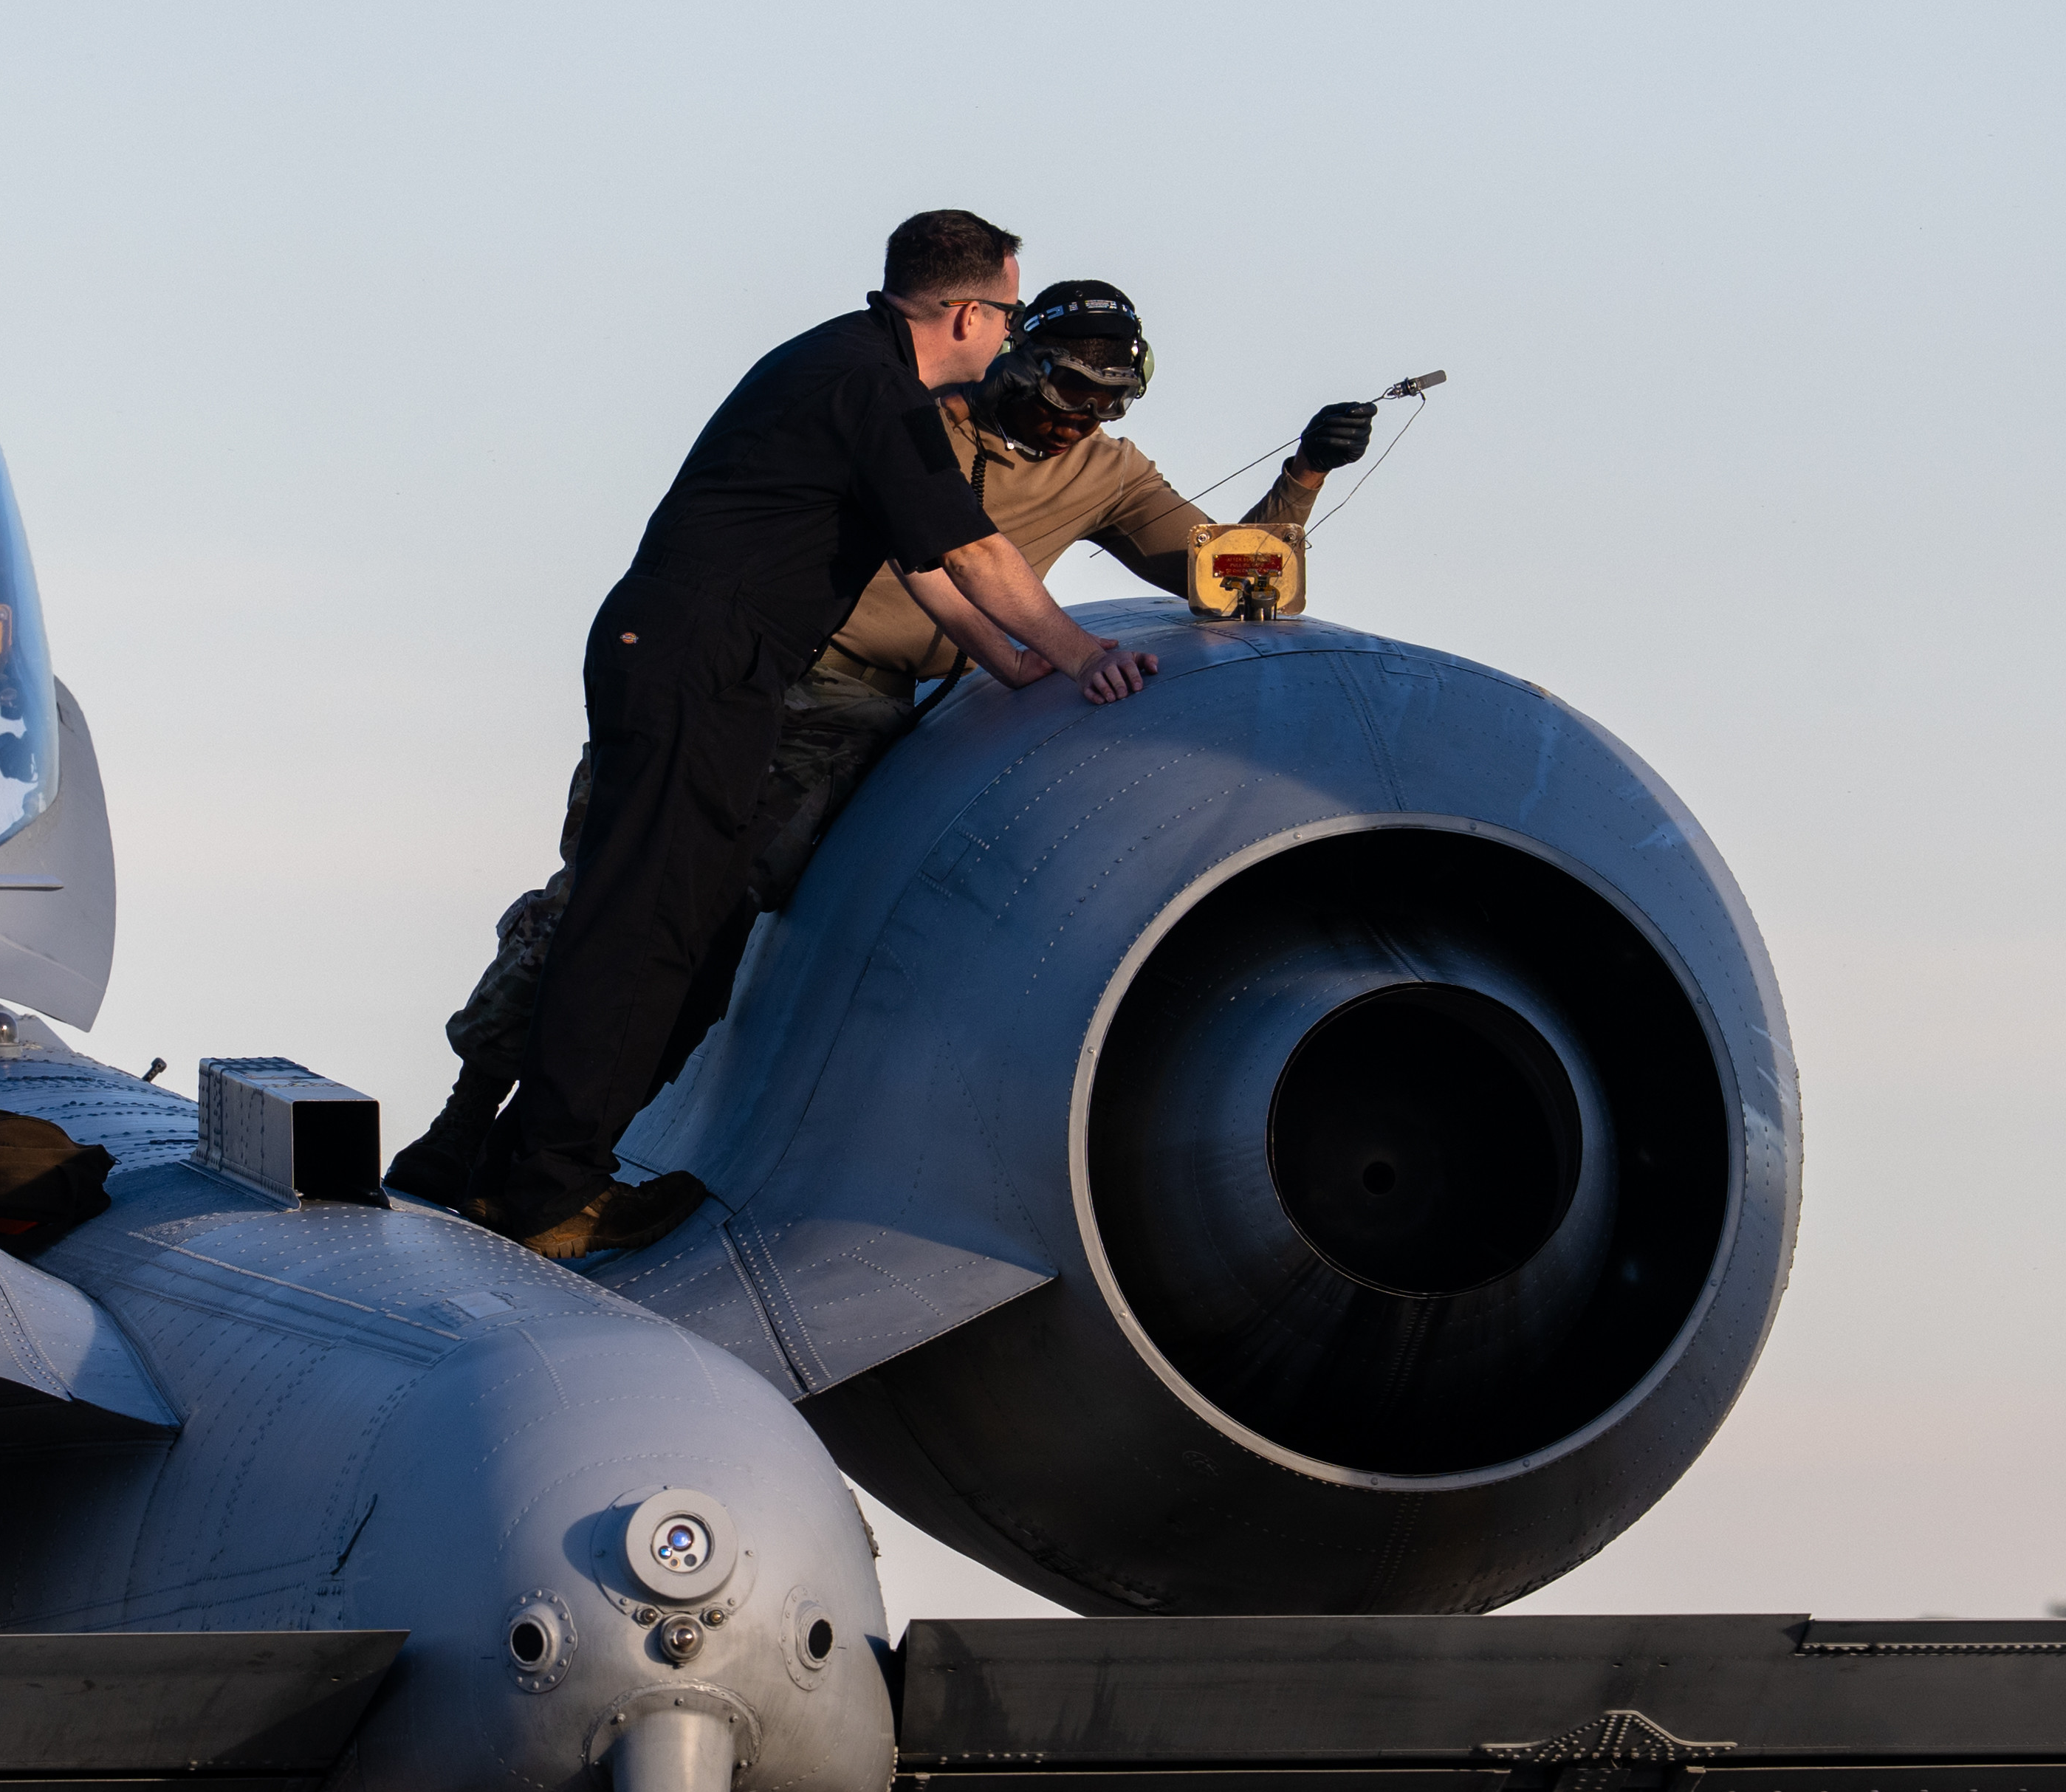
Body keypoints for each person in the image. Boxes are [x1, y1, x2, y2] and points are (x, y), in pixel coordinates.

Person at [395, 278, 1377, 1220]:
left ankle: (540, 1166)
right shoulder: (906, 411)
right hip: (752, 673)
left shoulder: (1104, 473)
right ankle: (462, 1127)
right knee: (605, 900)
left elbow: (1241, 581)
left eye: (1113, 401)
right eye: (1074, 390)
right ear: (1021, 355)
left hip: (853, 712)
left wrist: (1303, 478)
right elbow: (947, 558)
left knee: (702, 924)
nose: (1085, 419)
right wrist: (1053, 649)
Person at [459, 213, 1156, 1259]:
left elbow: (922, 556)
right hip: (703, 658)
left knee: (661, 916)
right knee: (640, 921)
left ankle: (493, 1169)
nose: (1007, 330)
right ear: (969, 311)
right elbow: (971, 549)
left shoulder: (854, 369)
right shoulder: (872, 388)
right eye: (1009, 311)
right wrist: (1077, 652)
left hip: (706, 657)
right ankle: (547, 1184)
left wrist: (1009, 660)